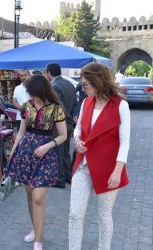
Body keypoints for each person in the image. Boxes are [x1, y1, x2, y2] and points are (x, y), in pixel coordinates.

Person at [69, 63, 130, 250]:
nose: (83, 87)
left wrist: (117, 171)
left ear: (98, 81)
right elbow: (78, 128)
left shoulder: (121, 106)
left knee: (104, 215)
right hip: (83, 165)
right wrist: (77, 139)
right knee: (75, 215)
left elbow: (125, 141)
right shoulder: (87, 102)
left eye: (86, 83)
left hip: (108, 168)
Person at [5, 75, 67, 250]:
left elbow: (63, 135)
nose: (32, 96)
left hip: (45, 155)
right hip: (26, 154)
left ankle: (38, 240)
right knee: (30, 195)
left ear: (42, 90)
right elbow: (21, 132)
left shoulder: (56, 109)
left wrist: (48, 146)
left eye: (34, 93)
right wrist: (14, 150)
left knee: (39, 197)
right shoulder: (27, 107)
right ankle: (35, 229)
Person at [45, 63, 79, 188]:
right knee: (65, 152)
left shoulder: (54, 85)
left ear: (49, 72)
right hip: (68, 124)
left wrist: (70, 118)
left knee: (59, 152)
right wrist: (75, 116)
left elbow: (59, 107)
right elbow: (76, 103)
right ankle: (69, 177)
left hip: (61, 124)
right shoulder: (69, 83)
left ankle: (60, 180)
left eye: (46, 72)